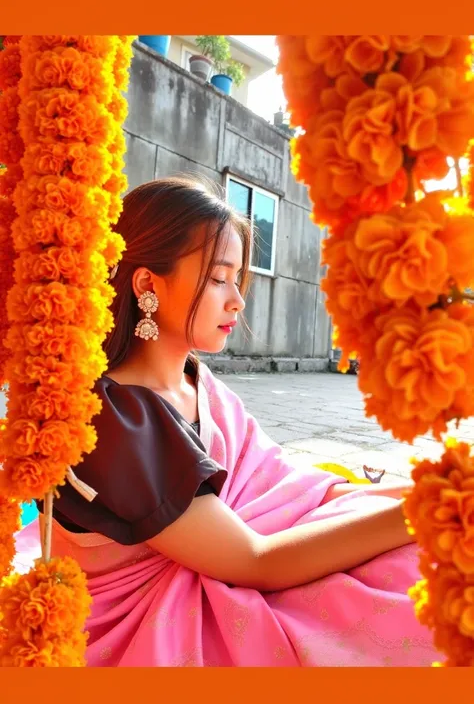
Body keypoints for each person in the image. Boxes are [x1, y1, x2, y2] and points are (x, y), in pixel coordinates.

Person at [15, 176, 438, 667]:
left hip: (240, 561)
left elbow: (292, 488)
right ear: (149, 284)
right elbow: (255, 561)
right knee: (411, 588)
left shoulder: (199, 383)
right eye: (219, 279)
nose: (237, 300)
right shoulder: (112, 421)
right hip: (165, 618)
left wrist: (427, 491)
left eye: (238, 280)